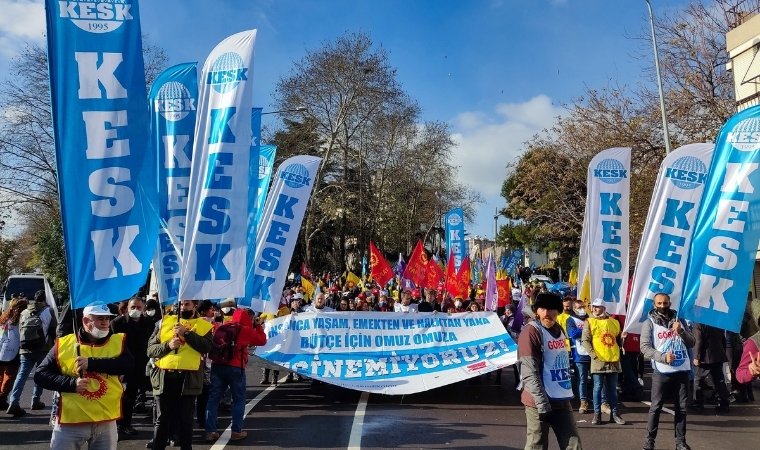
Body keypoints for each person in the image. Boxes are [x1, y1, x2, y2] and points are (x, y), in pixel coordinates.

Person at [34, 304, 134, 450]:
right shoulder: (64, 344)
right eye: (100, 318)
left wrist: (92, 363)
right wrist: (72, 384)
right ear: (86, 321)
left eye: (107, 318)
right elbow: (40, 374)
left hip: (106, 421)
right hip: (71, 422)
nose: (105, 322)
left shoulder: (117, 342)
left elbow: (128, 365)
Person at [517, 292, 582, 450]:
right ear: (536, 311)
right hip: (538, 401)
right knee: (536, 445)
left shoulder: (559, 329)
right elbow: (529, 372)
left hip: (561, 399)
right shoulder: (531, 332)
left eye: (551, 309)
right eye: (542, 309)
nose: (546, 313)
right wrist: (542, 403)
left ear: (558, 311)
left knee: (573, 444)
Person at [147, 300, 213, 450]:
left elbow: (207, 347)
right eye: (181, 304)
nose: (183, 307)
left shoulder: (203, 325)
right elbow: (150, 350)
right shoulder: (163, 322)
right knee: (162, 419)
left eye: (187, 304)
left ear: (195, 305)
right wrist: (168, 346)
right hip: (164, 377)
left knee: (186, 420)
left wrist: (187, 334)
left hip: (188, 379)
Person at [639, 293, 695, 450]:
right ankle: (649, 441)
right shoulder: (649, 323)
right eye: (659, 303)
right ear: (654, 304)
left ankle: (680, 442)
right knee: (656, 407)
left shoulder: (679, 320)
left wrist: (681, 332)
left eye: (665, 303)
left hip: (681, 370)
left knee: (682, 407)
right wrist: (662, 357)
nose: (663, 306)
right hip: (661, 372)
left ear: (670, 303)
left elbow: (692, 343)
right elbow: (644, 348)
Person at [205, 308, 266, 442]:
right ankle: (236, 431)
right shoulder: (246, 330)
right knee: (239, 399)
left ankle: (210, 431)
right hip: (235, 367)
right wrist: (257, 326)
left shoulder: (224, 326)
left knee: (213, 398)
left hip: (217, 365)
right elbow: (262, 340)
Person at [7, 290, 56, 417]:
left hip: (25, 349)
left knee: (22, 375)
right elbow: (53, 331)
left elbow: (20, 329)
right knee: (39, 374)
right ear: (45, 299)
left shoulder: (24, 312)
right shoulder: (48, 311)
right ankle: (35, 400)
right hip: (42, 348)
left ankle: (14, 402)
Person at [110, 296, 153, 437]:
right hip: (121, 366)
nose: (136, 310)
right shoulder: (117, 323)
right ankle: (116, 425)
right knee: (119, 397)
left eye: (139, 307)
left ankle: (125, 424)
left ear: (144, 308)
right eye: (133, 307)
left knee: (131, 397)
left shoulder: (148, 323)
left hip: (140, 365)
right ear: (127, 308)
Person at [581, 298, 625, 425]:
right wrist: (594, 355)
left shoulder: (614, 322)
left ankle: (615, 414)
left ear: (604, 308)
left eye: (598, 306)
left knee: (612, 389)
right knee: (598, 387)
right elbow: (585, 340)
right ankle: (597, 415)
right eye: (593, 306)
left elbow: (618, 340)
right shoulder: (589, 321)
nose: (594, 309)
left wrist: (623, 339)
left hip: (613, 359)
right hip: (598, 359)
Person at [691, 322, 730, 413]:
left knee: (698, 380)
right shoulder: (717, 322)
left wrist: (696, 356)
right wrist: (722, 352)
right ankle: (724, 403)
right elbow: (723, 339)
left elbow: (698, 341)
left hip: (704, 357)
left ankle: (698, 403)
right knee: (719, 381)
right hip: (718, 355)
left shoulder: (698, 324)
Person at [0, 297, 27, 410]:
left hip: (1, 349)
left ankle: (1, 398)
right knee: (10, 377)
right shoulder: (21, 318)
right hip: (13, 351)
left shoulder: (3, 317)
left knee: (1, 376)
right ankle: (1, 398)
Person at [565, 298, 590, 414]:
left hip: (593, 352)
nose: (582, 309)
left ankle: (602, 402)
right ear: (574, 309)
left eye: (583, 307)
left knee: (598, 380)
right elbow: (573, 334)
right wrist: (587, 329)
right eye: (579, 307)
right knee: (582, 379)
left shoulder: (589, 318)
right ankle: (583, 401)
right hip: (579, 354)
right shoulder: (570, 320)